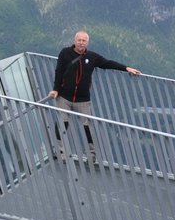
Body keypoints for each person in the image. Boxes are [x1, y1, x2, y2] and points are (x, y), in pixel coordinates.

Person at [48, 30, 142, 163]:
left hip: (83, 98)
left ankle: (92, 156)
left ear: (87, 43)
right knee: (62, 123)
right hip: (63, 96)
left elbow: (108, 63)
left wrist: (126, 68)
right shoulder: (65, 53)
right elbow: (59, 71)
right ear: (75, 41)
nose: (81, 43)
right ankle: (59, 152)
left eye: (84, 41)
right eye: (79, 40)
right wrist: (55, 89)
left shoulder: (92, 57)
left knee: (87, 126)